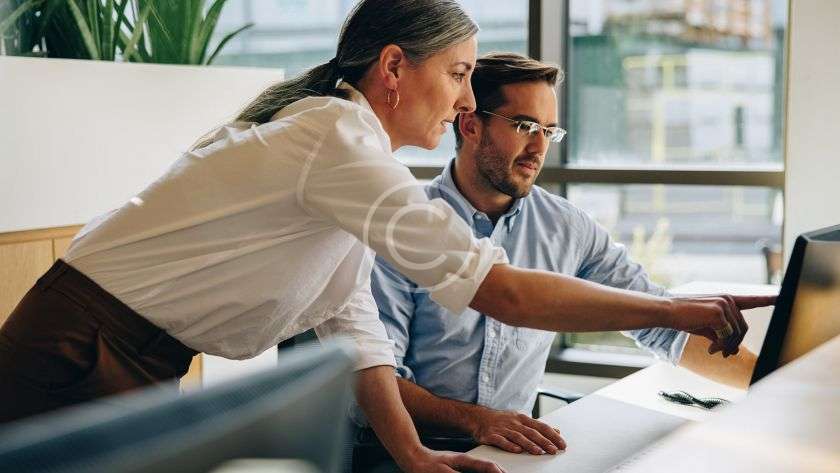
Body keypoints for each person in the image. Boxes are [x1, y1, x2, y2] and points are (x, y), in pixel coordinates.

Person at [0, 1, 771, 472]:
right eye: (459, 74)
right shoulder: (334, 139)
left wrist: (415, 455)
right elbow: (500, 291)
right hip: (83, 344)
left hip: (133, 352)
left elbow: (354, 327)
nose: (465, 100)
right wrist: (674, 309)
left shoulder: (352, 161)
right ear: (395, 67)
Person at [364, 52, 764, 458]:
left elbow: (662, 325)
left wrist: (770, 384)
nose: (539, 148)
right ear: (470, 125)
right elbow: (376, 375)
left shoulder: (566, 227)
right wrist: (478, 421)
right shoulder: (404, 227)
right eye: (524, 126)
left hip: (511, 452)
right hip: (406, 451)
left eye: (549, 131)